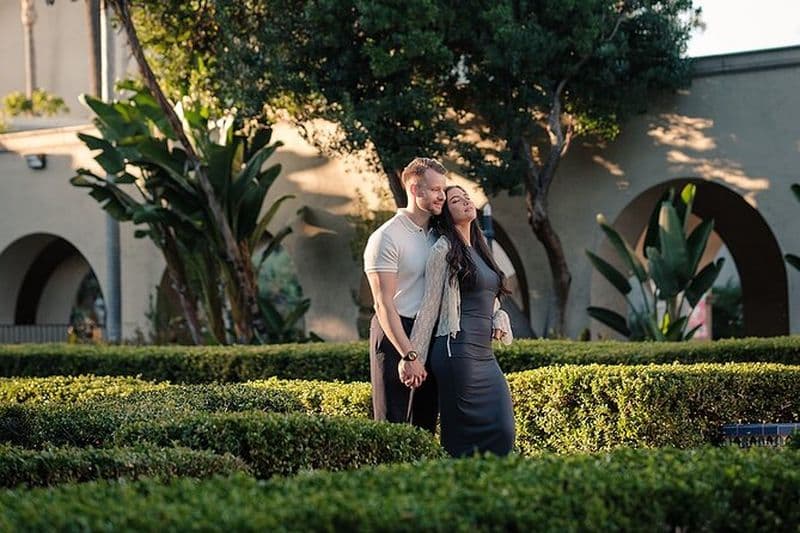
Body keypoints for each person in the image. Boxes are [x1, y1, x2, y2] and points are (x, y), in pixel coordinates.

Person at [409, 185, 515, 456]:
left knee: (503, 430)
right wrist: (412, 358)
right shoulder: (442, 251)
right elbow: (429, 308)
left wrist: (498, 315)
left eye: (466, 197)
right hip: (457, 352)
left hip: (484, 355)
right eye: (456, 200)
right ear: (445, 213)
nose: (466, 201)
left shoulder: (480, 249)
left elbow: (490, 296)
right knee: (463, 441)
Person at [363, 157, 447, 432]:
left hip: (429, 333)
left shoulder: (438, 235)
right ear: (415, 190)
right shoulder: (386, 237)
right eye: (435, 190)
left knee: (424, 426)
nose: (442, 196)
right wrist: (408, 355)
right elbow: (382, 303)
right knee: (392, 427)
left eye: (443, 190)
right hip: (395, 334)